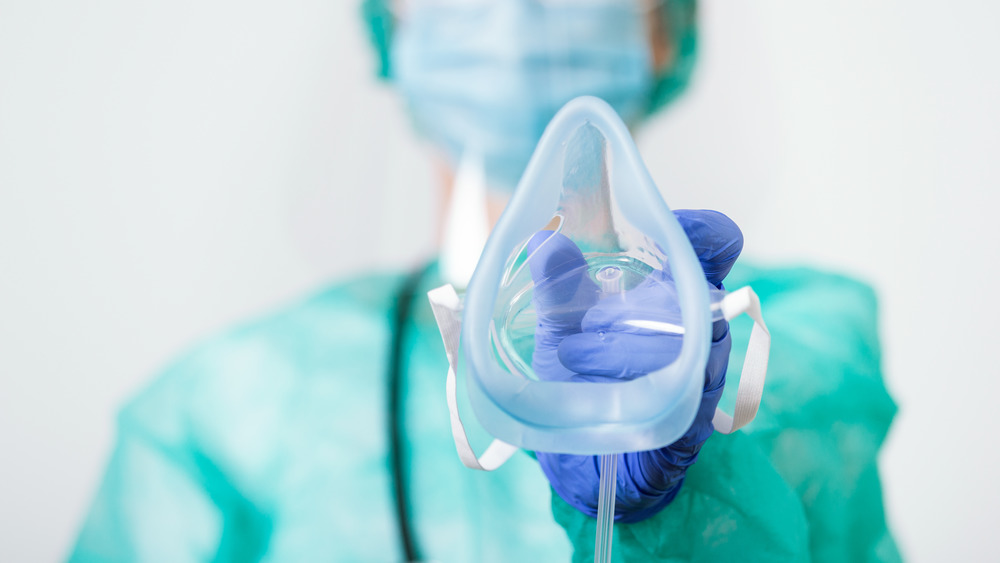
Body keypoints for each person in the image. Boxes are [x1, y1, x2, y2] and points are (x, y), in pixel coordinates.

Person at [70, 1, 901, 561]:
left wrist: (675, 507)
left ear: (665, 28)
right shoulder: (227, 411)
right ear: (391, 26)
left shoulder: (788, 350)